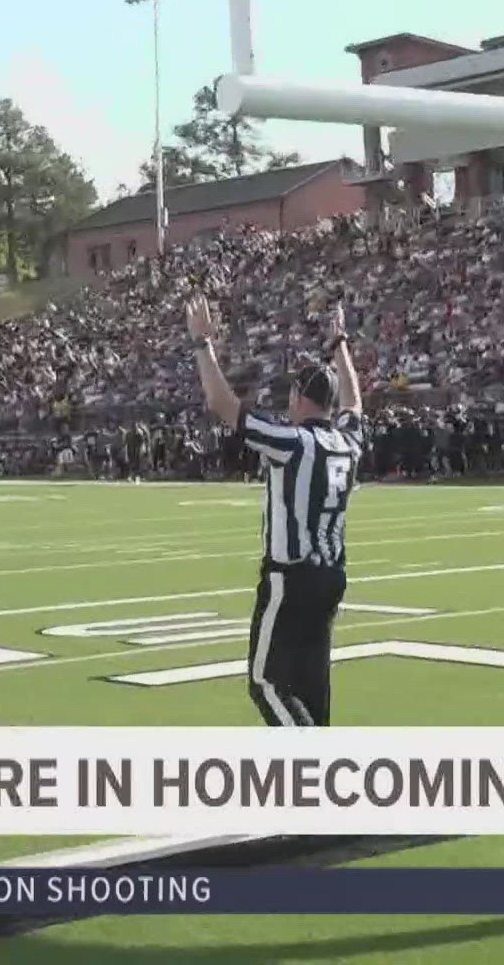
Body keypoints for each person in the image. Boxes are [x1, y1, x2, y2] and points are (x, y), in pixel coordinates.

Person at [186, 296, 363, 727]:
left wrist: (201, 343)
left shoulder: (293, 442)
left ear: (301, 398)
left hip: (291, 578)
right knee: (311, 685)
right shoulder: (348, 443)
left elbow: (222, 406)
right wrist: (340, 343)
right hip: (330, 578)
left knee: (267, 681)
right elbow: (355, 404)